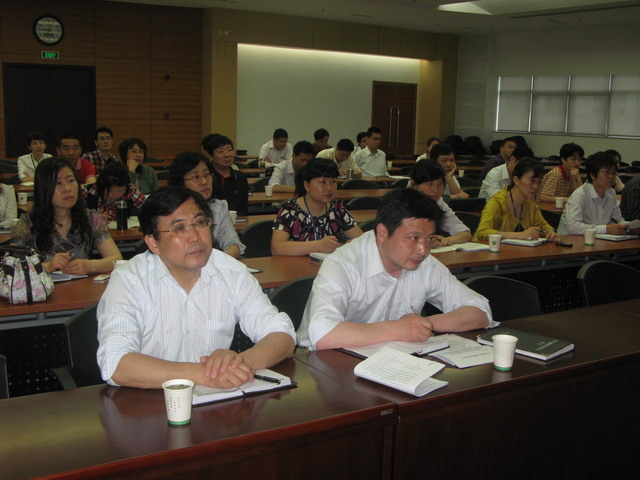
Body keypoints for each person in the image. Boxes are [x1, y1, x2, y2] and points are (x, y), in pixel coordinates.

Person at [96, 186, 296, 389]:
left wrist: (239, 363)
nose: (195, 237)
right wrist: (205, 375)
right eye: (179, 228)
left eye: (200, 223)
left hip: (217, 398)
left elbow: (282, 334)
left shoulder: (232, 272)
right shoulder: (129, 280)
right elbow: (116, 363)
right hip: (150, 399)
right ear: (153, 243)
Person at [297, 188, 494, 351]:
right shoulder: (342, 264)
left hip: (391, 358)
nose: (423, 249)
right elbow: (323, 333)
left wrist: (425, 324)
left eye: (429, 238)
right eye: (414, 238)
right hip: (323, 364)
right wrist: (399, 329)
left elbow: (480, 311)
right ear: (383, 233)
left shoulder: (425, 264)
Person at [11, 157, 122, 274]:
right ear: (44, 188)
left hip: (82, 284)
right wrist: (47, 266)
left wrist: (90, 266)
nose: (67, 188)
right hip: (45, 285)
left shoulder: (91, 218)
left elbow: (116, 259)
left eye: (71, 180)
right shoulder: (28, 223)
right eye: (58, 183)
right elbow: (11, 266)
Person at [271, 157, 363, 256]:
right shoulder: (290, 210)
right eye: (322, 182)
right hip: (298, 265)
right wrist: (318, 245)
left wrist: (348, 244)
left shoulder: (337, 208)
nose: (329, 188)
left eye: (333, 182)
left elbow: (361, 241)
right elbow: (277, 248)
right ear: (307, 185)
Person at [169, 151, 245, 258]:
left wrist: (219, 261)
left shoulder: (217, 207)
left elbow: (234, 244)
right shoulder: (169, 211)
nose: (204, 181)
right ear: (180, 182)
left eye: (207, 175)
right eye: (196, 177)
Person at [474, 158, 560, 242]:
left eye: (539, 182)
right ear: (516, 180)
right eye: (532, 181)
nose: (536, 186)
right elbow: (482, 232)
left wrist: (549, 232)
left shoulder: (530, 202)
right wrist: (519, 235)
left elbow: (542, 225)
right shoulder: (497, 202)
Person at [558, 152, 632, 235]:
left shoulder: (611, 193)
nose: (611, 176)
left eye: (613, 172)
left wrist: (630, 227)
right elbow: (573, 227)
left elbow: (620, 218)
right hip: (569, 240)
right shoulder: (580, 195)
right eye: (607, 172)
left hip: (597, 239)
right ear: (593, 174)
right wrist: (606, 229)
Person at [410, 160, 472, 246]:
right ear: (414, 185)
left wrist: (447, 240)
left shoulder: (438, 202)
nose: (436, 190)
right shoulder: (403, 205)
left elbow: (466, 234)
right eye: (429, 184)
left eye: (440, 184)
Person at [204, 134, 249, 216]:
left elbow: (243, 209)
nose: (227, 155)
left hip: (236, 221)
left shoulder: (241, 177)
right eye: (221, 151)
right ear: (211, 156)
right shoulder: (206, 178)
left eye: (229, 150)